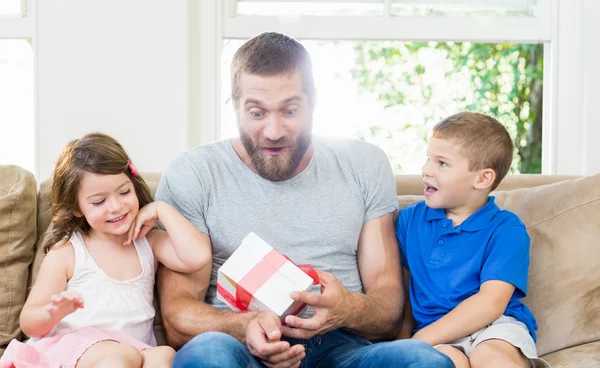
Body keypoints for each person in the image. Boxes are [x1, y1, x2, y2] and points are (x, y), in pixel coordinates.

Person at [155, 32, 454, 368]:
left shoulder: (363, 163)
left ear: (314, 102)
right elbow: (178, 314)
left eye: (290, 110)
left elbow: (387, 307)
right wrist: (246, 325)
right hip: (237, 346)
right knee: (208, 354)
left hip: (340, 347)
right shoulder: (194, 172)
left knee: (425, 361)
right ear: (234, 105)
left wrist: (346, 309)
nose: (274, 130)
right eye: (256, 113)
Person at [0, 133, 211, 368]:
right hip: (75, 351)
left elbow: (197, 257)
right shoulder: (68, 253)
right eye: (99, 202)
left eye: (124, 192)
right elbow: (29, 322)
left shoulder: (147, 242)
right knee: (118, 357)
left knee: (164, 356)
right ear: (76, 208)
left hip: (133, 349)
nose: (116, 206)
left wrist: (161, 209)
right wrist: (53, 314)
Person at [395, 112, 550, 368]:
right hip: (438, 335)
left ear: (482, 179)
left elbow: (490, 304)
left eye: (441, 163)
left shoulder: (505, 229)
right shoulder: (410, 222)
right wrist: (403, 346)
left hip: (495, 327)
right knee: (444, 363)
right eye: (428, 159)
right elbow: (401, 289)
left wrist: (420, 339)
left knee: (490, 357)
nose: (426, 170)